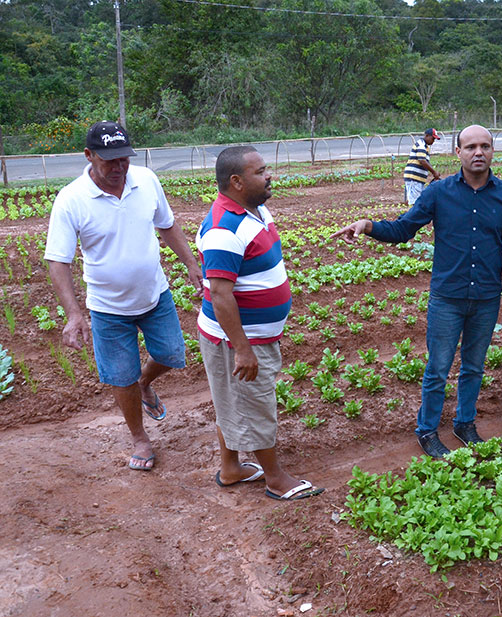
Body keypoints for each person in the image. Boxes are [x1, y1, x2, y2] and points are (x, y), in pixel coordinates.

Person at [332, 125, 502, 457]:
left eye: (485, 146)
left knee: (474, 366)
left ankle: (465, 423)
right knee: (437, 368)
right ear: (458, 153)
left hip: (485, 298)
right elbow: (403, 229)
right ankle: (427, 430)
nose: (478, 152)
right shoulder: (439, 193)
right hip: (447, 298)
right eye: (470, 147)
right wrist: (367, 226)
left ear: (493, 151)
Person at [45, 120, 202, 471]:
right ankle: (140, 438)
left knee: (172, 354)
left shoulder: (146, 181)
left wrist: (191, 263)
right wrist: (73, 314)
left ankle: (145, 383)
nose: (118, 168)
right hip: (107, 307)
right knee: (120, 376)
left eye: (123, 160)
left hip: (155, 295)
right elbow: (59, 261)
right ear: (88, 155)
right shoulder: (71, 200)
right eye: (109, 161)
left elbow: (167, 224)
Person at [196, 145, 323, 500]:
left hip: (246, 336)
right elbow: (221, 295)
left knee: (230, 401)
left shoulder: (255, 209)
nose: (269, 176)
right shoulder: (224, 228)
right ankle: (275, 479)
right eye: (260, 171)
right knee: (256, 404)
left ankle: (231, 468)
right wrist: (243, 350)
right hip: (237, 340)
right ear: (236, 181)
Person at [403, 128, 441, 205]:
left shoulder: (425, 146)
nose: (433, 141)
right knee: (416, 203)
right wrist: (434, 172)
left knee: (418, 202)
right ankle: (413, 217)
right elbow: (422, 160)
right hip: (413, 178)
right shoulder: (421, 145)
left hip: (417, 179)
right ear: (427, 136)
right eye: (433, 138)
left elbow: (425, 161)